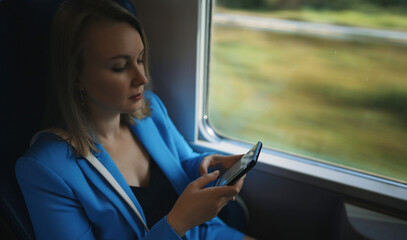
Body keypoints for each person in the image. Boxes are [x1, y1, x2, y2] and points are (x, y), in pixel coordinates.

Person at [15, 0, 254, 239]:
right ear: (76, 76)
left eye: (140, 59)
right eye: (120, 67)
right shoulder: (46, 169)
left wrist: (210, 165)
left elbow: (182, 165)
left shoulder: (150, 110)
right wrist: (178, 222)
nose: (142, 77)